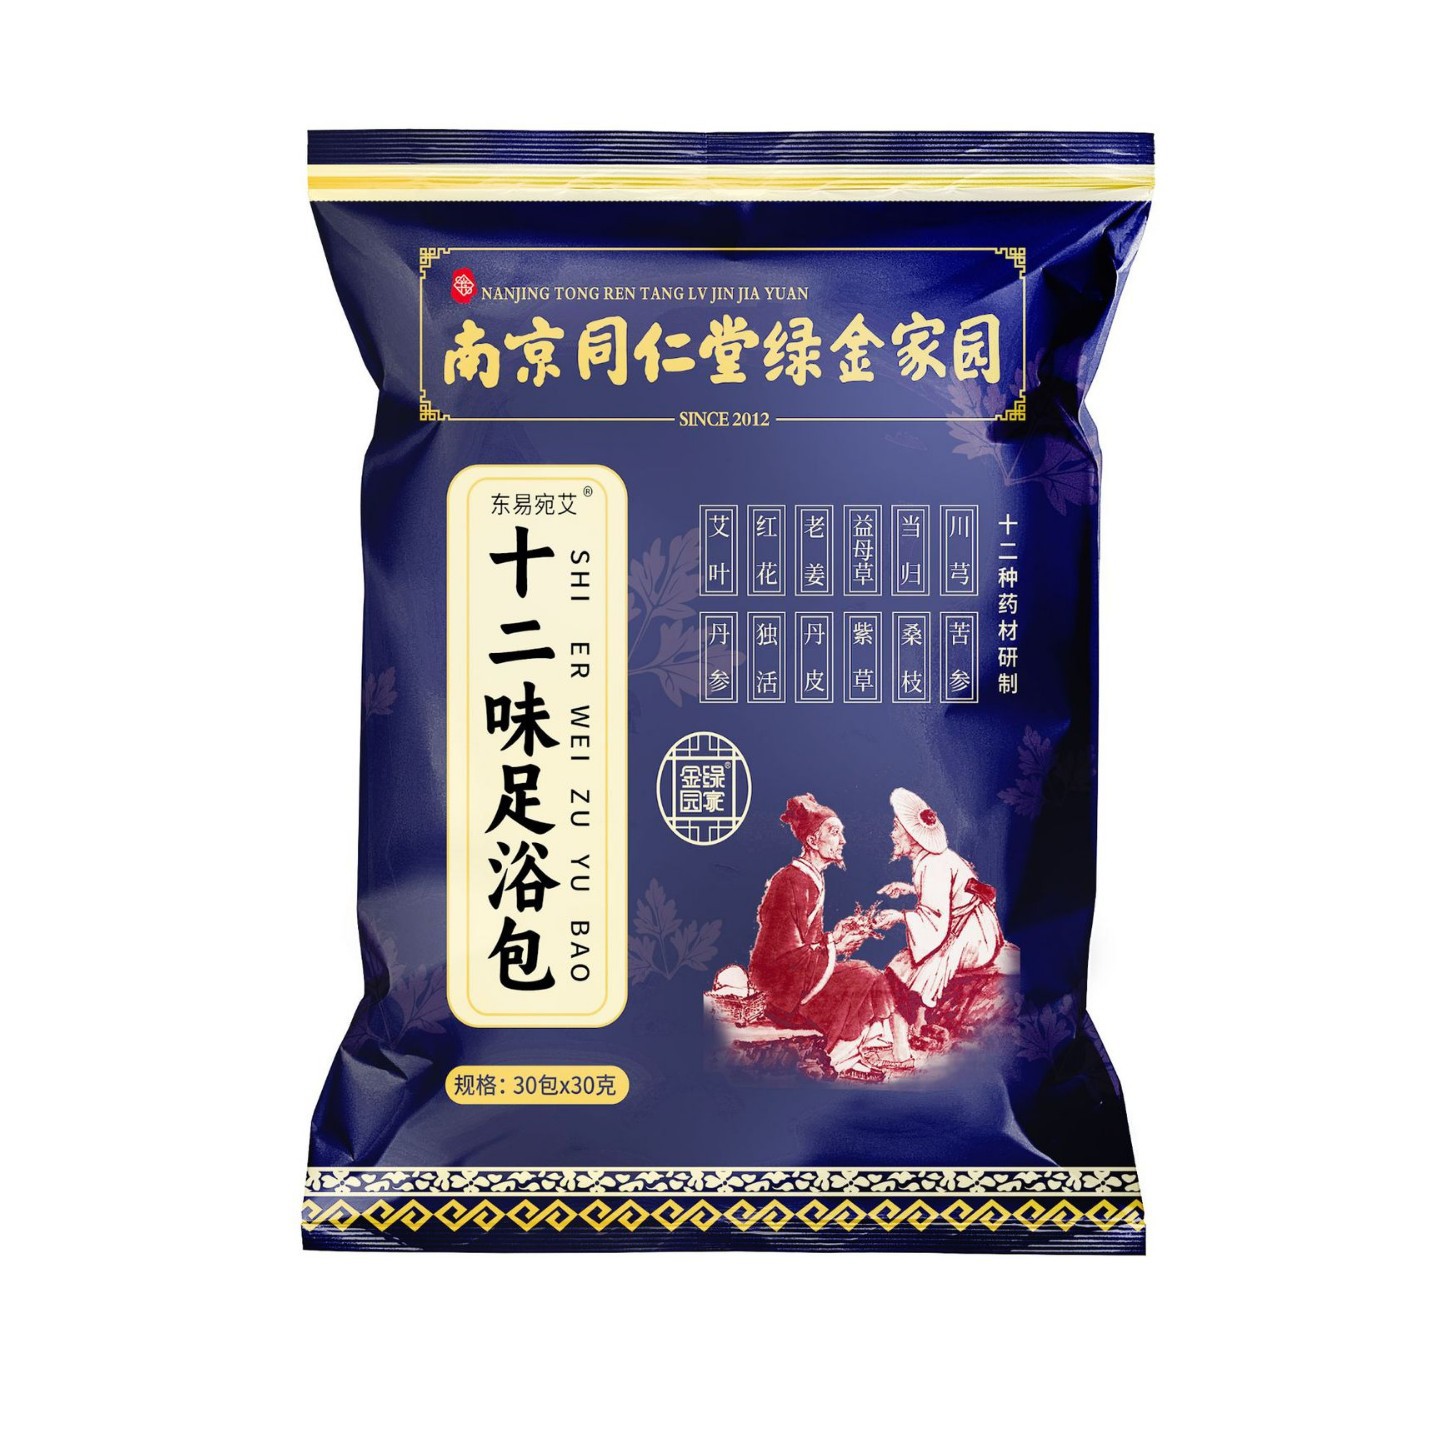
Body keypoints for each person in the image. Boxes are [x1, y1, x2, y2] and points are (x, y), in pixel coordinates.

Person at [748, 793, 910, 1081]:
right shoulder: (789, 881)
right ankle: (839, 1059)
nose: (843, 841)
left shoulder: (812, 877)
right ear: (812, 841)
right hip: (782, 989)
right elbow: (783, 957)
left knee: (870, 974)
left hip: (803, 977)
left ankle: (858, 1052)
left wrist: (835, 937)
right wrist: (834, 946)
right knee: (862, 978)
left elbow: (806, 943)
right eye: (834, 833)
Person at [874, 787, 1004, 1036]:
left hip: (973, 933)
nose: (893, 835)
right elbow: (945, 895)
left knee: (924, 962)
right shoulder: (930, 859)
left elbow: (935, 919)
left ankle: (919, 1023)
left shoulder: (932, 864)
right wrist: (909, 889)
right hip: (965, 923)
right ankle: (917, 1023)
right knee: (911, 962)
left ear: (912, 836)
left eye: (896, 829)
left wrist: (900, 917)